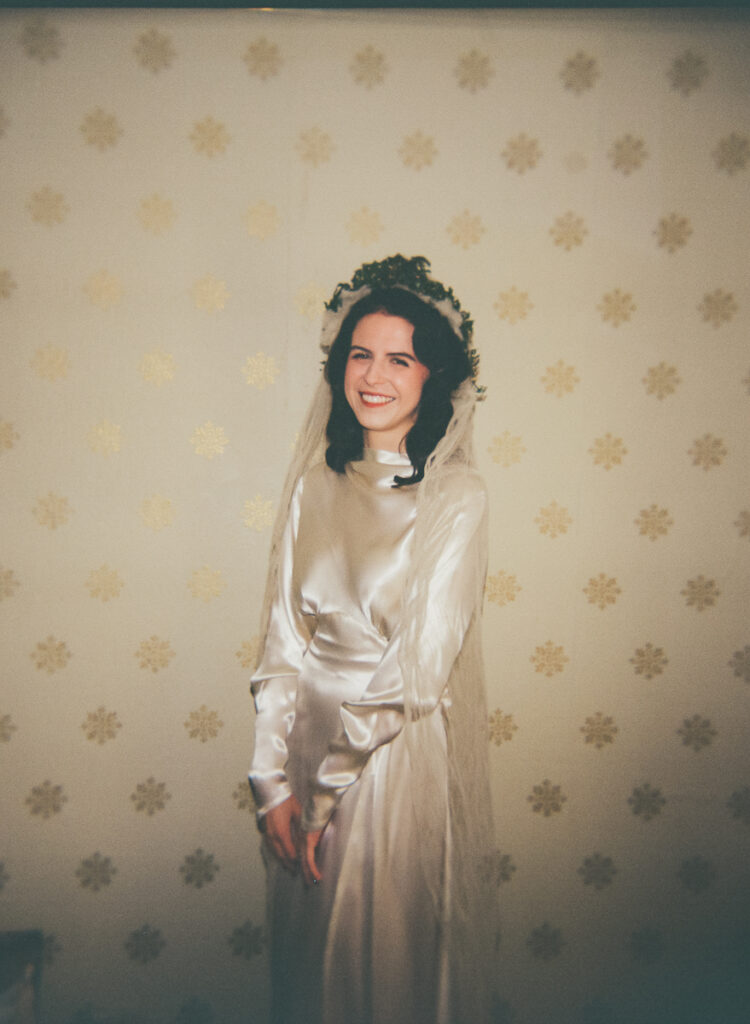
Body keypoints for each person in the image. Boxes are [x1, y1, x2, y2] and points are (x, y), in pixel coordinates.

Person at [249, 255, 497, 1024]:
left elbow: (417, 673)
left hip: (387, 762)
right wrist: (274, 784)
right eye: (360, 353)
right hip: (303, 745)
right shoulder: (315, 487)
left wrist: (325, 796)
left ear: (433, 377)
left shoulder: (456, 496)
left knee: (379, 962)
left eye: (400, 357)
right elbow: (283, 640)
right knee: (305, 965)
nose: (374, 374)